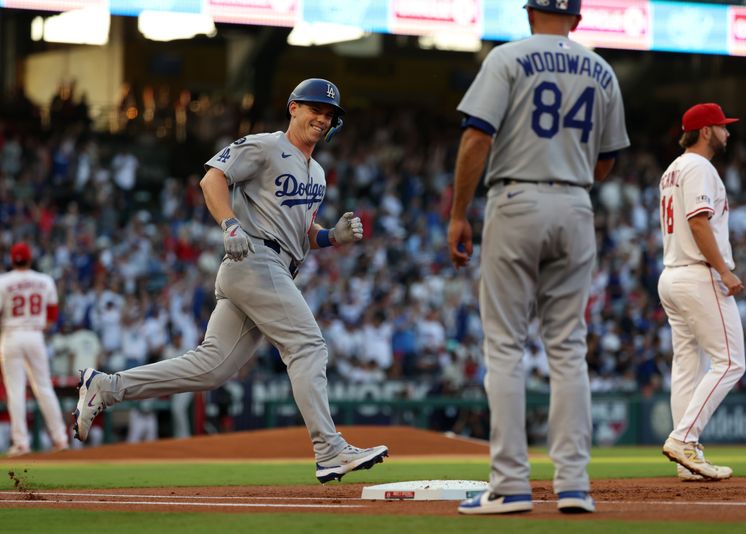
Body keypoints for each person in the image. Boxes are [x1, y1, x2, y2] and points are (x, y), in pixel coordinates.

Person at [73, 78, 388, 482]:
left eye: (329, 115)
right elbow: (211, 179)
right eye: (315, 109)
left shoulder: (319, 173)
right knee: (308, 346)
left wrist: (332, 237)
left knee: (210, 369)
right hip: (254, 259)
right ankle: (328, 450)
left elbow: (303, 230)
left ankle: (106, 387)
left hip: (273, 266)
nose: (322, 119)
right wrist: (230, 224)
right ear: (293, 108)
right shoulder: (266, 145)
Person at [447, 0, 629, 515]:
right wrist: (568, 183)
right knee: (568, 346)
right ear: (577, 19)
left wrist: (460, 212)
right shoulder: (603, 69)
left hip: (516, 198)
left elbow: (476, 135)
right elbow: (608, 158)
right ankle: (574, 484)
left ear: (529, 14)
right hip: (575, 202)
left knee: (505, 346)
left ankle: (510, 485)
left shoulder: (508, 57)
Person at [658, 103, 746, 481]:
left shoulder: (672, 169)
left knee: (687, 367)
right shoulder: (699, 166)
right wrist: (724, 271)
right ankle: (684, 439)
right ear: (706, 130)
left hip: (672, 274)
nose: (728, 132)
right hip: (698, 274)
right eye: (722, 126)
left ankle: (687, 461)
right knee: (730, 361)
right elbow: (698, 222)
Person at [0, 242, 68, 456]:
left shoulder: (3, 281)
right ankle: (60, 438)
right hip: (35, 335)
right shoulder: (44, 280)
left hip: (10, 335)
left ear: (12, 260)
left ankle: (21, 443)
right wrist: (35, 327)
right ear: (30, 259)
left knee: (16, 391)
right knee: (44, 387)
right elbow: (52, 317)